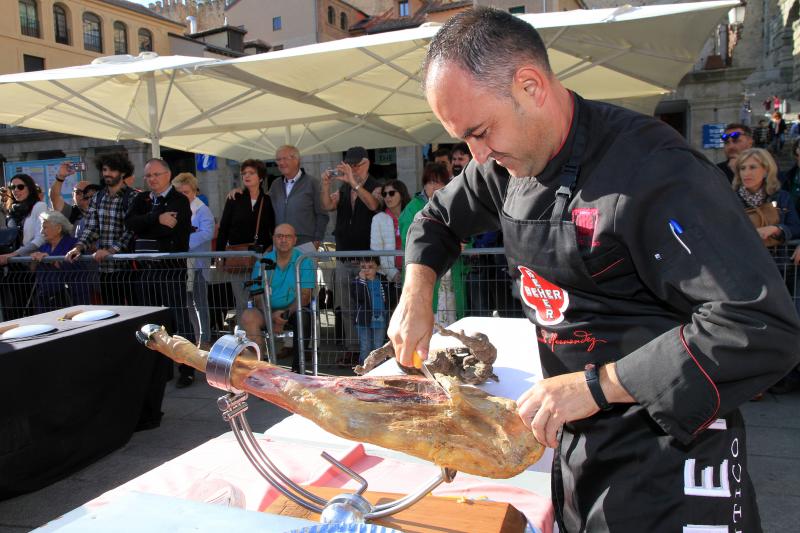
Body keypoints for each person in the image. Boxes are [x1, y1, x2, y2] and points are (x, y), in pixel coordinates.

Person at [388, 8, 800, 531]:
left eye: (481, 131)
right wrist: (416, 291)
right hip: (579, 446)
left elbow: (758, 325)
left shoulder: (655, 171)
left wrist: (597, 385)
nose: (477, 154)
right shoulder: (499, 166)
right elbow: (438, 218)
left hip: (674, 456)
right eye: (463, 139)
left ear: (531, 85)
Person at [125, 158, 194, 391]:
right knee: (152, 321)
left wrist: (150, 225)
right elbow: (131, 224)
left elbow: (169, 230)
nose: (152, 179)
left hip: (170, 269)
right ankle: (160, 368)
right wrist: (156, 218)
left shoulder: (179, 200)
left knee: (178, 319)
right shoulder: (142, 199)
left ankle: (188, 367)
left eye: (156, 174)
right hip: (146, 270)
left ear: (167, 174)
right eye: (148, 176)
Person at [320, 146, 381, 347]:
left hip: (367, 260)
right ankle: (352, 347)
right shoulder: (345, 188)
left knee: (369, 306)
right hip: (344, 256)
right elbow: (328, 206)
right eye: (350, 165)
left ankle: (371, 347)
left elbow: (373, 204)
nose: (353, 169)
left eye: (357, 165)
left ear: (367, 163)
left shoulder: (375, 185)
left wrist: (354, 184)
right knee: (346, 307)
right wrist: (326, 185)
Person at [399, 162, 468, 325]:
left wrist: (464, 243)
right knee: (425, 322)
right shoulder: (413, 207)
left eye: (438, 182)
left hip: (451, 276)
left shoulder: (453, 205)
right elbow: (408, 239)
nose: (434, 186)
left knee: (453, 324)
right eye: (430, 182)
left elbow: (467, 234)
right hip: (424, 273)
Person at [240, 223, 315, 373]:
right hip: (266, 309)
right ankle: (260, 369)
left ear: (294, 240)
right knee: (248, 316)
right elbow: (257, 295)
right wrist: (270, 315)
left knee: (304, 316)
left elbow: (305, 296)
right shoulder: (262, 262)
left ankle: (297, 370)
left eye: (288, 236)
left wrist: (284, 314)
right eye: (280, 236)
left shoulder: (304, 261)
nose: (283, 240)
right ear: (274, 239)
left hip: (293, 309)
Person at [65, 153, 138, 305]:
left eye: (112, 170)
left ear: (123, 172)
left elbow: (131, 231)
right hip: (105, 269)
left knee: (136, 312)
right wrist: (77, 248)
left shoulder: (133, 197)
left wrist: (110, 251)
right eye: (105, 169)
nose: (107, 173)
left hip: (129, 268)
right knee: (113, 314)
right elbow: (92, 228)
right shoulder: (98, 197)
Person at [216, 159, 276, 319]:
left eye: (251, 173)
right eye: (244, 174)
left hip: (261, 258)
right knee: (242, 301)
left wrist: (270, 251)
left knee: (261, 299)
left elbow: (273, 229)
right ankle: (245, 340)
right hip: (237, 258)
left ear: (261, 177)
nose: (246, 176)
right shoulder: (234, 198)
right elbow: (224, 228)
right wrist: (219, 255)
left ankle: (261, 338)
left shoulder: (268, 200)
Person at [173, 172, 215, 351]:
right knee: (187, 304)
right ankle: (193, 337)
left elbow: (208, 232)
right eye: (180, 192)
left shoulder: (202, 209)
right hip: (181, 264)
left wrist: (183, 242)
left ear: (194, 191)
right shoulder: (175, 208)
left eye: (187, 192)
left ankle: (205, 338)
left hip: (197, 264)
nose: (184, 195)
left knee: (200, 303)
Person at [0, 173, 47, 319]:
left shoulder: (39, 206)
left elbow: (41, 237)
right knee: (12, 309)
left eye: (20, 186)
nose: (16, 190)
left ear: (30, 188)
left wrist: (15, 254)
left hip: (30, 266)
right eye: (13, 187)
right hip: (11, 267)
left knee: (28, 308)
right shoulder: (12, 211)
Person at [733, 148, 800, 246]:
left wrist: (777, 229)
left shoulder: (782, 197)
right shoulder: (731, 198)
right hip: (741, 257)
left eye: (752, 167)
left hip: (774, 258)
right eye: (742, 168)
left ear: (766, 171)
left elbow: (796, 228)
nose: (746, 173)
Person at [269, 145, 329, 255]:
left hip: (305, 244)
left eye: (285, 158)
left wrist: (316, 241)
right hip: (280, 244)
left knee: (304, 273)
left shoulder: (312, 183)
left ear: (296, 160)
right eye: (278, 159)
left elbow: (322, 214)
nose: (281, 163)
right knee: (281, 273)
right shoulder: (275, 185)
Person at [30, 210, 85, 312]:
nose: (42, 231)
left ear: (58, 228)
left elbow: (76, 269)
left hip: (70, 299)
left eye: (45, 227)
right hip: (45, 302)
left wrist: (52, 261)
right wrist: (34, 258)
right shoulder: (43, 247)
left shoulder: (73, 245)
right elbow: (33, 270)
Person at [370, 179, 411, 285]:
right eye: (384, 194)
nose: (387, 197)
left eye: (391, 193)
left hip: (411, 271)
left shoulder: (412, 216)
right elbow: (377, 252)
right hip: (387, 277)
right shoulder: (378, 219)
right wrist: (393, 273)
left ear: (402, 195)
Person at [351, 256, 390, 364]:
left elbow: (390, 298)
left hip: (380, 318)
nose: (366, 270)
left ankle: (378, 369)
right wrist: (362, 281)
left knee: (378, 346)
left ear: (377, 267)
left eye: (370, 267)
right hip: (363, 319)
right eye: (363, 267)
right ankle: (364, 369)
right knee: (365, 346)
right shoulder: (357, 281)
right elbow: (359, 297)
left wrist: (396, 284)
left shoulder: (383, 280)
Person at [50, 163, 101, 238]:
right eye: (78, 192)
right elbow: (55, 197)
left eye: (86, 191)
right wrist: (60, 177)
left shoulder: (103, 210)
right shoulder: (70, 212)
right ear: (72, 195)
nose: (83, 195)